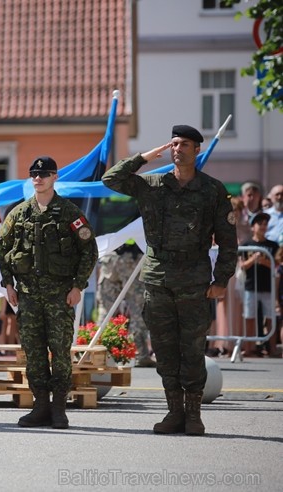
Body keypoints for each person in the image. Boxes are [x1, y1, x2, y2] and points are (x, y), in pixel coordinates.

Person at [102, 124, 237, 436]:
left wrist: (222, 279)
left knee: (191, 349)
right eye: (174, 143)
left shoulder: (212, 190)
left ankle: (193, 415)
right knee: (164, 350)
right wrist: (145, 157)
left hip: (195, 280)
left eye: (185, 144)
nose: (178, 149)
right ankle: (174, 412)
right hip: (158, 278)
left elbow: (229, 241)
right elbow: (112, 178)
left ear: (197, 150)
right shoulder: (152, 184)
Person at [0, 156, 98, 429]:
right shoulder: (18, 213)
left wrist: (79, 285)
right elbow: (1, 249)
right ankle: (40, 406)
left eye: (44, 174)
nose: (38, 178)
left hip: (59, 295)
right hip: (28, 295)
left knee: (61, 351)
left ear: (55, 178)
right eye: (34, 174)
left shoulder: (69, 213)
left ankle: (59, 408)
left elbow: (89, 250)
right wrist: (8, 284)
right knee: (34, 352)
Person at [95, 241, 155, 367]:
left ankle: (96, 353)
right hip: (131, 259)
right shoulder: (140, 221)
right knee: (138, 310)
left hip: (110, 258)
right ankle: (142, 354)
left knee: (106, 311)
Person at [239, 213, 279, 357]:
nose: (263, 226)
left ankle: (272, 349)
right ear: (253, 227)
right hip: (251, 286)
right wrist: (253, 260)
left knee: (270, 318)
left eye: (265, 224)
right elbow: (242, 266)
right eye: (260, 224)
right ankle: (249, 348)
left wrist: (264, 261)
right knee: (249, 318)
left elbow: (277, 265)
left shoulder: (272, 246)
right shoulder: (246, 245)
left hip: (268, 287)